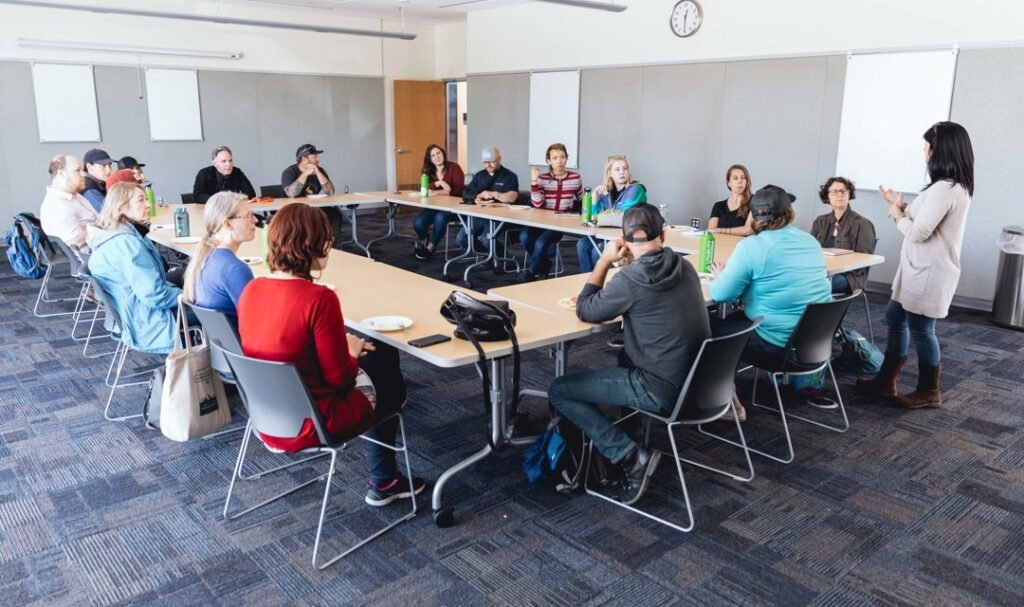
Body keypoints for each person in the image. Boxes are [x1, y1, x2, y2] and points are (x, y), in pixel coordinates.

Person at [237, 203, 426, 506]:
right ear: (313, 243)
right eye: (327, 238)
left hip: (268, 415)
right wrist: (350, 351)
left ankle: (386, 475)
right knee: (384, 362)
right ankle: (384, 480)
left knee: (377, 360)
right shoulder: (319, 298)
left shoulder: (252, 289)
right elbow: (340, 380)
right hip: (316, 421)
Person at [549, 205, 709, 505]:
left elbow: (586, 308)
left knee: (560, 390)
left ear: (622, 240)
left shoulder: (629, 281)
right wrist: (627, 267)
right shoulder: (684, 266)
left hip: (662, 389)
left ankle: (630, 454)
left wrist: (605, 261)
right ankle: (638, 438)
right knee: (624, 356)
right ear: (663, 235)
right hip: (701, 383)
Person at [857, 121, 974, 409]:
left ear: (940, 150)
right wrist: (902, 205)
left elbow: (920, 231)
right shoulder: (947, 187)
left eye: (926, 146)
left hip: (929, 272)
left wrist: (898, 216)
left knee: (922, 329)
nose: (924, 151)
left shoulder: (946, 189)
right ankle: (886, 382)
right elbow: (925, 218)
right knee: (896, 318)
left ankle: (928, 391)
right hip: (918, 269)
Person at [709, 185, 832, 420]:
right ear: (789, 212)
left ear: (754, 217)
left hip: (778, 347)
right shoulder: (811, 242)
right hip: (815, 346)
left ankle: (725, 405)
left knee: (707, 329)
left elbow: (722, 294)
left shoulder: (751, 246)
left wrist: (720, 277)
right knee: (733, 322)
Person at [85, 182, 183, 354]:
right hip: (148, 319)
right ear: (122, 207)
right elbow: (155, 296)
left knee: (187, 275)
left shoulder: (111, 232)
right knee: (218, 309)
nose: (148, 205)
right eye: (141, 200)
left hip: (130, 310)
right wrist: (189, 296)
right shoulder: (127, 243)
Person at [182, 192, 257, 321]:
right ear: (228, 224)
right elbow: (256, 321)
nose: (255, 220)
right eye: (248, 216)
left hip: (219, 340)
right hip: (241, 339)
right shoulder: (234, 269)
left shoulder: (205, 258)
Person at [520, 143, 583, 279]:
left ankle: (532, 271)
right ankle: (544, 264)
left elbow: (582, 199)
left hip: (559, 223)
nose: (559, 161)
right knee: (524, 236)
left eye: (562, 157)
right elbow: (537, 203)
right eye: (555, 158)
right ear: (548, 161)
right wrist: (534, 181)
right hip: (540, 221)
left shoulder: (575, 178)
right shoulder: (542, 179)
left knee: (540, 243)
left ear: (567, 158)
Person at [576, 155, 647, 272]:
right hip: (608, 234)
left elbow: (622, 216)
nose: (622, 172)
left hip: (627, 236)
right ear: (610, 173)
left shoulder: (635, 189)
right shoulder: (607, 191)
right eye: (617, 169)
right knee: (582, 244)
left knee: (596, 251)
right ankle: (588, 283)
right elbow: (593, 218)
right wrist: (594, 197)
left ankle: (603, 285)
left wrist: (602, 217)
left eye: (625, 169)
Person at [810, 177, 877, 294]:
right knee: (798, 282)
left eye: (844, 191)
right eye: (835, 191)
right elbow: (811, 252)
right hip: (822, 273)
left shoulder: (863, 224)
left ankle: (819, 312)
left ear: (849, 195)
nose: (840, 194)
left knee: (813, 287)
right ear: (827, 196)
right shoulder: (820, 221)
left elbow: (863, 261)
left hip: (849, 276)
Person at [456, 146, 519, 252]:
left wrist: (495, 194)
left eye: (492, 161)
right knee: (461, 238)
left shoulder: (509, 176)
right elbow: (466, 193)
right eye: (485, 162)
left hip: (500, 217)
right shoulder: (480, 175)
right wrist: (476, 197)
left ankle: (503, 260)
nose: (488, 165)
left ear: (499, 159)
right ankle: (488, 257)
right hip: (480, 215)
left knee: (487, 239)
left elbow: (512, 197)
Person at [281, 143, 345, 246]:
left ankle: (330, 246)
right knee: (306, 219)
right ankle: (305, 246)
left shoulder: (320, 170)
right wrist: (305, 174)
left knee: (335, 214)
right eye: (314, 156)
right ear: (304, 159)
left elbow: (330, 192)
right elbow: (291, 194)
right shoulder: (289, 172)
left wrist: (319, 173)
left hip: (313, 207)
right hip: (293, 209)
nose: (318, 159)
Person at [413, 144, 465, 260]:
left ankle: (430, 247)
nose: (437, 157)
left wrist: (437, 192)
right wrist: (438, 183)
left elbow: (457, 191)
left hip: (453, 208)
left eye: (439, 153)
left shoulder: (454, 167)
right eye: (433, 155)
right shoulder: (428, 171)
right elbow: (424, 188)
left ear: (443, 154)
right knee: (418, 223)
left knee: (440, 217)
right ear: (430, 159)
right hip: (435, 207)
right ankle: (424, 238)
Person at [39, 154, 96, 251]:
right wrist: (100, 226)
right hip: (93, 256)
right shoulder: (56, 206)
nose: (84, 174)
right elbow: (75, 243)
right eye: (77, 170)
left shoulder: (74, 195)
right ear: (61, 174)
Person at [708, 164, 754, 236]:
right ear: (728, 183)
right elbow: (711, 230)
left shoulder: (755, 201)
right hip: (720, 245)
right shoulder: (718, 206)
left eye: (743, 178)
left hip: (742, 246)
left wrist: (720, 230)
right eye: (735, 178)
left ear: (746, 181)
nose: (740, 181)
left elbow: (748, 230)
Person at [81, 148, 114, 213]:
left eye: (109, 165)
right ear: (89, 167)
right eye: (103, 166)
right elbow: (107, 214)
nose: (109, 171)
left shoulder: (100, 183)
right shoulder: (89, 189)